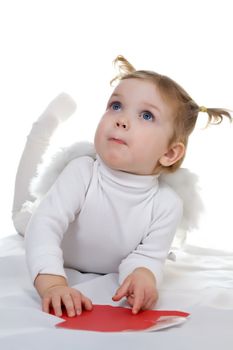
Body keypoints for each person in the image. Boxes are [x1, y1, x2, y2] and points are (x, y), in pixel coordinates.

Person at [12, 56, 232, 318]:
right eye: (116, 106)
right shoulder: (82, 172)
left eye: (146, 115)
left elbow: (148, 256)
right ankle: (43, 126)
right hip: (35, 220)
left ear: (170, 153)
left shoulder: (167, 204)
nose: (122, 120)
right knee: (21, 214)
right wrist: (53, 284)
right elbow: (44, 226)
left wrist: (142, 276)